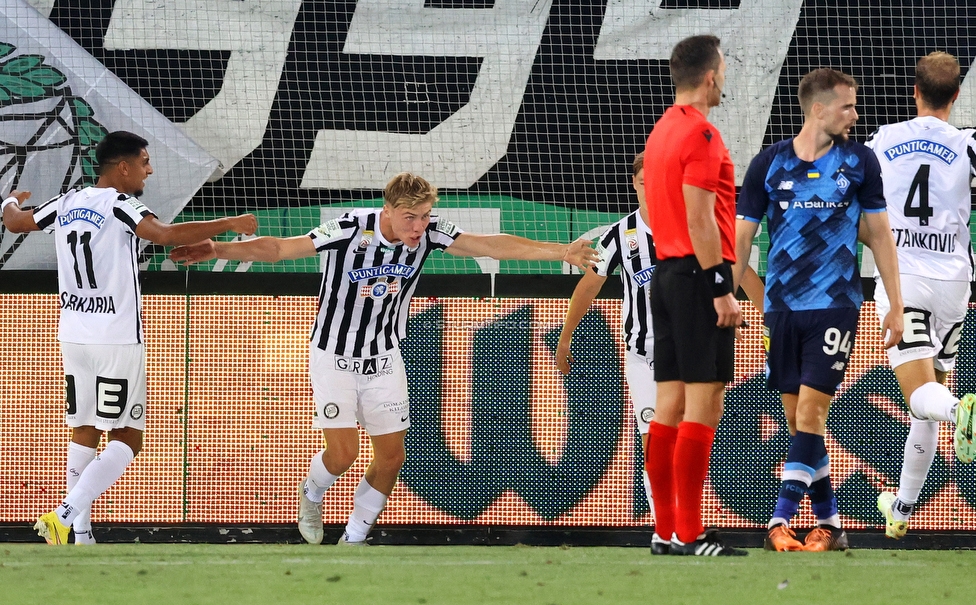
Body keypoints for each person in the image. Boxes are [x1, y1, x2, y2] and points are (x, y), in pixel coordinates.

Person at [169, 172, 599, 545]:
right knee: (343, 454)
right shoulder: (350, 227)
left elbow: (489, 244)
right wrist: (219, 251)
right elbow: (281, 249)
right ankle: (313, 495)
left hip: (384, 358)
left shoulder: (431, 233)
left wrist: (561, 251)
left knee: (392, 457)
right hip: (334, 354)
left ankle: (354, 539)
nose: (419, 226)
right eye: (410, 217)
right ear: (388, 210)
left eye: (425, 215)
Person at [1, 130, 258, 544]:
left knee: (84, 427)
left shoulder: (67, 202)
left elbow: (14, 222)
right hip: (116, 337)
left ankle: (79, 534)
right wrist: (229, 223)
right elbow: (164, 235)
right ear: (123, 168)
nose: (149, 169)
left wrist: (10, 199)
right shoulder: (121, 204)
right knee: (127, 437)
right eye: (144, 161)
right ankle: (65, 515)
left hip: (74, 334)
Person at [733, 69, 905, 552]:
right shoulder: (768, 164)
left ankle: (778, 521)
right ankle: (830, 522)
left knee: (811, 412)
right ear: (818, 109)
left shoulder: (860, 161)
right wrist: (722, 295)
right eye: (848, 106)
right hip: (781, 308)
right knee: (801, 425)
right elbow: (742, 240)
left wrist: (894, 303)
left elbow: (881, 238)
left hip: (835, 305)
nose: (855, 114)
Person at [642, 34, 746, 557]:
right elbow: (701, 219)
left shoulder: (662, 130)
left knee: (670, 406)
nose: (725, 77)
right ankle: (690, 532)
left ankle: (665, 531)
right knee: (703, 405)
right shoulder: (702, 134)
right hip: (696, 277)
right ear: (711, 76)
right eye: (724, 69)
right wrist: (721, 288)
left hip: (665, 275)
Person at [866, 52, 976, 539]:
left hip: (901, 276)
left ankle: (963, 413)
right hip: (954, 282)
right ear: (956, 96)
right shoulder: (970, 143)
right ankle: (903, 509)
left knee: (922, 397)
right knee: (929, 396)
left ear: (914, 91)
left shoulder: (881, 140)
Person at [555, 151, 662, 550]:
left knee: (689, 441)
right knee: (654, 441)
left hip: (691, 355)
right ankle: (665, 528)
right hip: (644, 358)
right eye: (644, 178)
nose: (652, 183)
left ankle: (687, 522)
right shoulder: (620, 234)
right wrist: (566, 336)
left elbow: (729, 267)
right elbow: (589, 285)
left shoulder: (692, 225)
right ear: (635, 183)